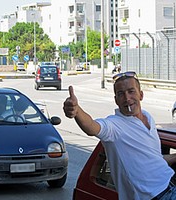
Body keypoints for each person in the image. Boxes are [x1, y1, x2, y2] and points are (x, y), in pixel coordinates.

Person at [63, 71, 176, 200]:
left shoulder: (148, 117)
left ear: (141, 95)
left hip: (171, 185)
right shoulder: (114, 126)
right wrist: (76, 111)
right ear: (116, 100)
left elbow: (154, 159)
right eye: (121, 94)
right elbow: (92, 127)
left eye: (131, 91)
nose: (127, 98)